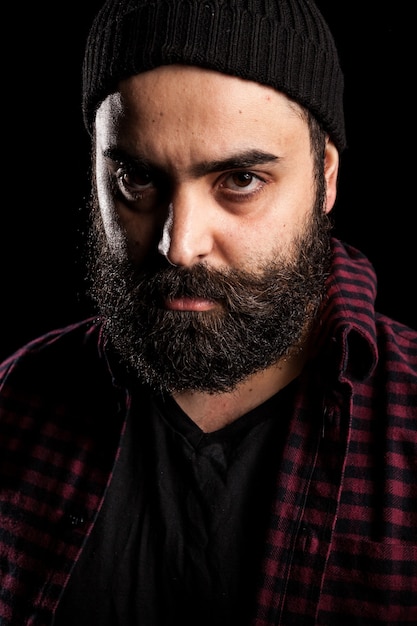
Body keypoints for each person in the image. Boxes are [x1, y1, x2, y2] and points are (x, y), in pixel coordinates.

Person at [0, 0, 416, 624]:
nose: (179, 243)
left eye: (241, 180)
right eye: (136, 179)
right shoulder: (17, 402)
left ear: (325, 177)